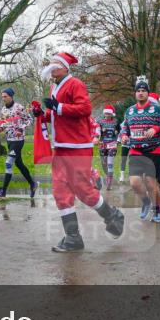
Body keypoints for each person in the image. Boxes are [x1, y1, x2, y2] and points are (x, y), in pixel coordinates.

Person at [32, 51, 124, 252]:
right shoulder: (54, 86)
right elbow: (58, 116)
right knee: (60, 191)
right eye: (51, 63)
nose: (51, 66)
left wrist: (58, 107)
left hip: (77, 146)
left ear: (65, 67)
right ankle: (73, 237)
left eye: (55, 63)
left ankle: (112, 215)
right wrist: (43, 114)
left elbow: (85, 109)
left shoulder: (75, 84)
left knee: (83, 190)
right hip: (61, 146)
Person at [121, 77, 160, 224]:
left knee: (150, 183)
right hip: (136, 150)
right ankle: (146, 201)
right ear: (135, 94)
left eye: (143, 91)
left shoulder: (157, 109)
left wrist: (156, 129)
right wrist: (123, 135)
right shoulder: (130, 111)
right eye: (138, 91)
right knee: (135, 182)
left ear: (148, 93)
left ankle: (157, 209)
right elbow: (124, 127)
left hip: (154, 150)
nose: (141, 93)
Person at [0, 88, 37, 198]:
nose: (3, 98)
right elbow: (4, 122)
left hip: (18, 140)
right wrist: (1, 127)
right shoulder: (3, 109)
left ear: (11, 96)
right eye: (2, 97)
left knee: (8, 163)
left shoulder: (19, 107)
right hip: (9, 139)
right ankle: (32, 184)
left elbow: (29, 120)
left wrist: (21, 128)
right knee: (19, 164)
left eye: (5, 96)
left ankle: (3, 192)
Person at [94, 105, 121, 189]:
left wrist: (118, 139)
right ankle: (108, 176)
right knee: (104, 163)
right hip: (102, 144)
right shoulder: (100, 122)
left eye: (109, 114)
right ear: (104, 113)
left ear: (112, 114)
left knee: (110, 163)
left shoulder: (116, 122)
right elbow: (97, 131)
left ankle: (109, 182)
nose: (107, 115)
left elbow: (120, 131)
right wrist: (96, 138)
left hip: (112, 144)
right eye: (106, 113)